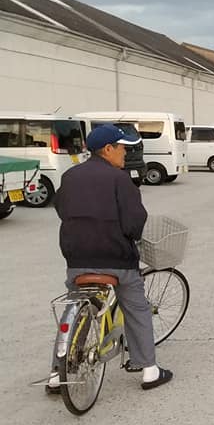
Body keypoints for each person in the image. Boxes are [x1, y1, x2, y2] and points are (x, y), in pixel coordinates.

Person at [50, 124, 173, 392]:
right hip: (116, 259)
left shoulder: (70, 176)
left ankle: (58, 374)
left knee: (74, 305)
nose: (125, 153)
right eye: (122, 148)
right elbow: (134, 224)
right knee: (137, 307)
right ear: (108, 149)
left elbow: (61, 209)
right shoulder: (120, 180)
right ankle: (149, 370)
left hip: (76, 258)